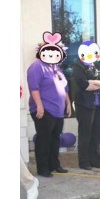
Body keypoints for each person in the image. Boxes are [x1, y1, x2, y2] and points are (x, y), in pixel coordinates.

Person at [27, 32, 72, 178]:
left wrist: (68, 104)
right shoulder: (36, 67)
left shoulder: (57, 69)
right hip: (44, 110)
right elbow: (34, 87)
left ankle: (54, 165)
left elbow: (64, 88)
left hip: (58, 111)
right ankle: (43, 168)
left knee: (55, 139)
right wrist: (39, 105)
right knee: (44, 139)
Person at [72, 41, 100, 170]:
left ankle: (95, 160)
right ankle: (84, 162)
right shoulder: (78, 66)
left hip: (98, 104)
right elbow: (84, 85)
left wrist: (93, 81)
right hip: (84, 105)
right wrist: (96, 83)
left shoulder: (96, 65)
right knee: (86, 134)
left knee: (96, 133)